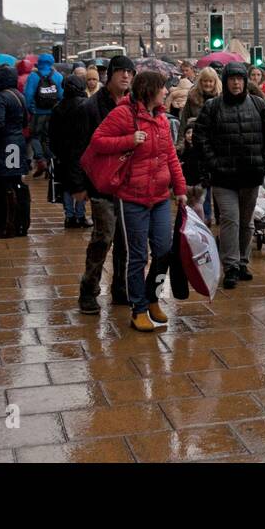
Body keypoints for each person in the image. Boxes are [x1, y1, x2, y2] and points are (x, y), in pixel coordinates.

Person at [86, 70, 187, 332]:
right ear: (149, 90)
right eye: (162, 88)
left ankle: (153, 297)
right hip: (132, 196)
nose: (166, 92)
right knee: (137, 255)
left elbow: (170, 157)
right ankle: (138, 308)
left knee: (164, 250)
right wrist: (129, 140)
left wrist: (181, 188)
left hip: (160, 196)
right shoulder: (123, 114)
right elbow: (98, 141)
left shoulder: (162, 119)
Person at [193, 61, 265, 289]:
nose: (236, 83)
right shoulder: (212, 107)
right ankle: (230, 266)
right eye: (232, 79)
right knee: (230, 219)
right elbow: (200, 138)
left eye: (240, 78)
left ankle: (242, 261)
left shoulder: (259, 105)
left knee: (247, 222)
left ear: (245, 81)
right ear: (226, 81)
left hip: (251, 175)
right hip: (223, 177)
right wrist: (213, 163)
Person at [67, 55, 136, 312]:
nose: (126, 77)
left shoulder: (134, 106)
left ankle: (120, 288)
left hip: (128, 184)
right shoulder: (90, 107)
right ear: (110, 75)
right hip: (100, 183)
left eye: (130, 72)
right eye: (121, 72)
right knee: (103, 237)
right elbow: (76, 148)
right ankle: (89, 289)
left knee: (125, 241)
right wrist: (77, 185)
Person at [0, 63, 31, 239]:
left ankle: (7, 224)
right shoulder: (19, 95)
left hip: (5, 144)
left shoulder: (0, 97)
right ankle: (19, 222)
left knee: (5, 183)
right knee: (16, 182)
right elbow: (25, 123)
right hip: (18, 142)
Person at [48, 74, 92, 229]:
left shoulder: (57, 107)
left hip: (64, 152)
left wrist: (55, 151)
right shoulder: (86, 105)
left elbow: (52, 133)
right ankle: (81, 215)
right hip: (82, 151)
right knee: (81, 183)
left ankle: (69, 216)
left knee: (67, 185)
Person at [178, 67, 220, 222]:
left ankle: (219, 215)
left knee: (218, 181)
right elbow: (183, 121)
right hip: (196, 144)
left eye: (210, 81)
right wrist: (181, 142)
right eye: (204, 81)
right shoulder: (192, 97)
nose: (207, 84)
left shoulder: (220, 97)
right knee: (203, 181)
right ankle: (205, 216)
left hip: (216, 144)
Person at [23, 53, 62, 178]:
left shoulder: (33, 76)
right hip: (52, 113)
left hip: (37, 113)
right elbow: (61, 96)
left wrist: (31, 109)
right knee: (48, 138)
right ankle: (51, 163)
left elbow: (28, 95)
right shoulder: (58, 76)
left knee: (35, 136)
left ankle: (40, 160)